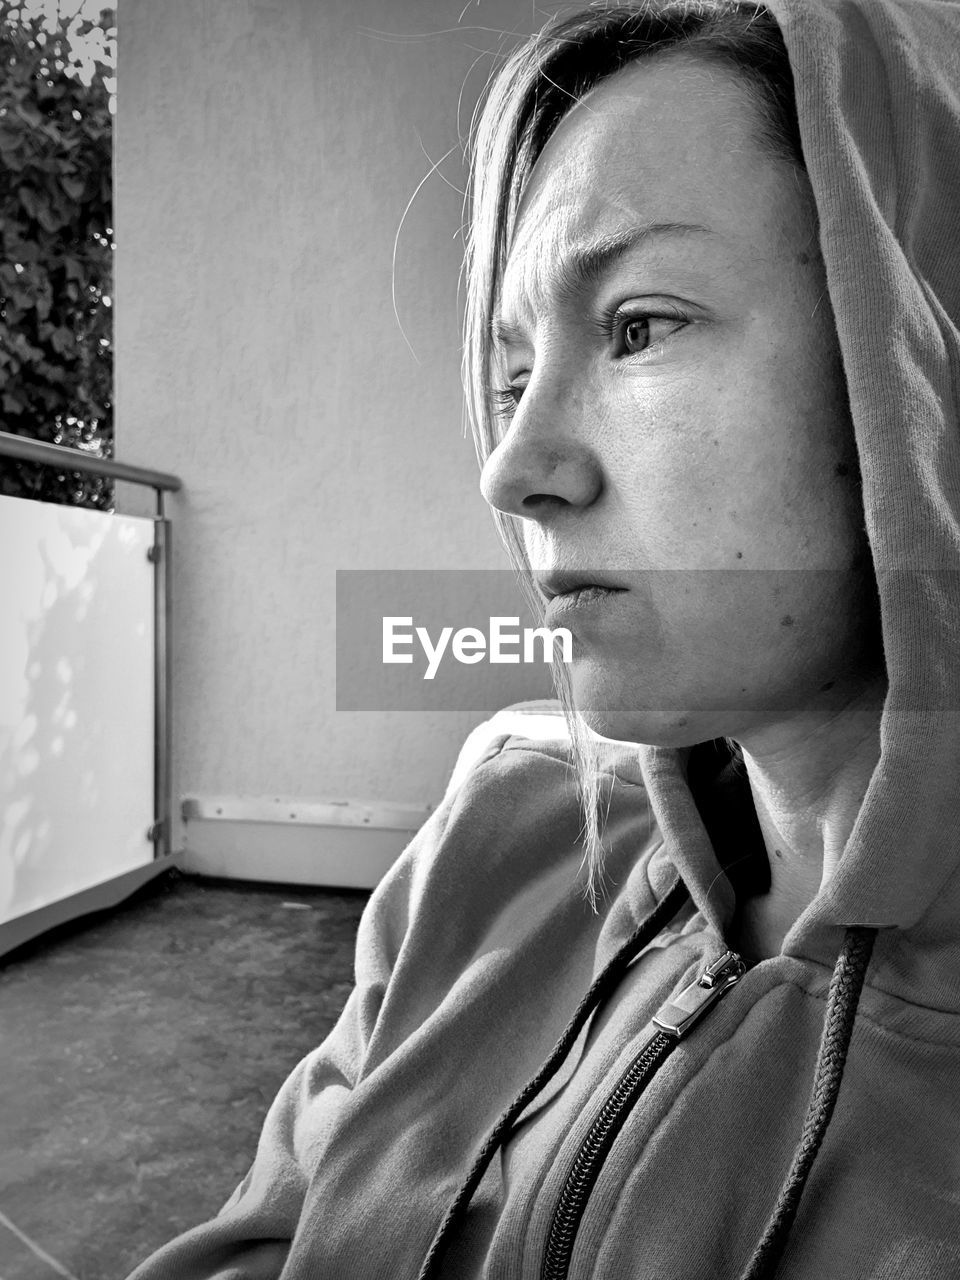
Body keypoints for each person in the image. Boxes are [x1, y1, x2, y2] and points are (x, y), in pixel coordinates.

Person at [127, 0, 960, 1276]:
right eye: (513, 378)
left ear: (920, 364)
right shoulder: (490, 843)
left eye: (638, 324)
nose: (514, 469)